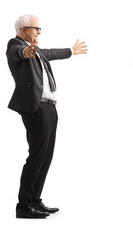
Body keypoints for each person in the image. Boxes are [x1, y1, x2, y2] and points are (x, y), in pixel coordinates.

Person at [6, 14, 87, 218]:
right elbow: (20, 52)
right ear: (22, 30)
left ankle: (35, 201)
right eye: (36, 28)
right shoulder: (15, 45)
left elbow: (50, 52)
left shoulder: (38, 51)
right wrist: (27, 50)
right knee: (36, 155)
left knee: (46, 157)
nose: (39, 32)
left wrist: (72, 51)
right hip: (35, 107)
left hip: (49, 107)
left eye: (40, 29)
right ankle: (24, 206)